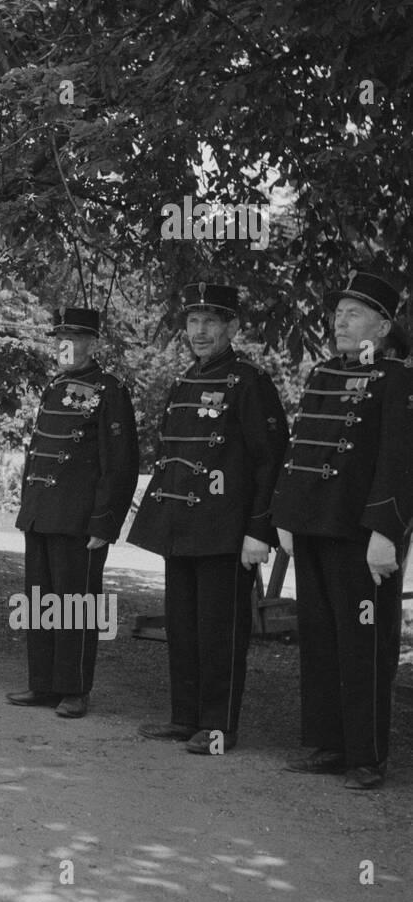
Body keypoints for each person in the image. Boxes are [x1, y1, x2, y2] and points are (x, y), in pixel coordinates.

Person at [128, 282, 288, 755]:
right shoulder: (183, 381)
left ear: (232, 327)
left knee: (221, 631)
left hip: (226, 530)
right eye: (193, 321)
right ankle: (186, 717)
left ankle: (218, 727)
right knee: (183, 626)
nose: (199, 331)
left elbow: (270, 461)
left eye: (211, 322)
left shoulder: (249, 382)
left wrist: (259, 531)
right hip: (180, 527)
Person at [272, 271, 413, 790]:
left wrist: (386, 532)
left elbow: (400, 464)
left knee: (364, 644)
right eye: (337, 314)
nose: (340, 322)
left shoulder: (398, 380)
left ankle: (366, 756)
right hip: (313, 527)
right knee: (321, 641)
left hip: (359, 535)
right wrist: (284, 516)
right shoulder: (323, 374)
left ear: (383, 323)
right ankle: (328, 745)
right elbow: (301, 449)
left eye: (353, 314)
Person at [8, 306, 139, 718]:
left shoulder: (110, 390)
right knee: (40, 601)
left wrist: (105, 521)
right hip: (42, 513)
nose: (63, 346)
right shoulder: (54, 386)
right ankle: (42, 684)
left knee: (77, 604)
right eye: (59, 339)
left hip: (80, 519)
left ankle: (75, 688)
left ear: (93, 344)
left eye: (74, 339)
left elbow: (119, 464)